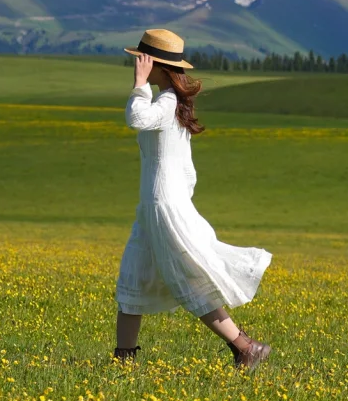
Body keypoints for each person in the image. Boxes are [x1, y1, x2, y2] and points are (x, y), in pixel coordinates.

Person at [114, 28, 272, 368]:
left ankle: (245, 347)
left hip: (161, 207)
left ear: (155, 65)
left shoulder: (167, 102)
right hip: (154, 207)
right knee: (134, 278)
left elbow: (135, 118)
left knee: (189, 281)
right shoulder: (171, 103)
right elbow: (186, 170)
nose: (138, 65)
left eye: (142, 61)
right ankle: (123, 360)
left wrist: (139, 83)